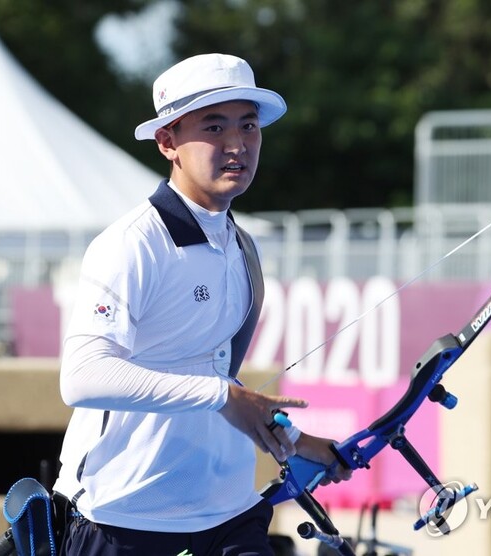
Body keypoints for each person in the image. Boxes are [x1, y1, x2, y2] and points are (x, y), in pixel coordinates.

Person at [52, 53, 351, 556]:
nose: (237, 145)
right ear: (167, 141)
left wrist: (296, 440)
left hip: (230, 514)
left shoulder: (242, 246)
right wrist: (222, 396)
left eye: (249, 126)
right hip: (123, 519)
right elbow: (81, 377)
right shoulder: (131, 243)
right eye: (214, 127)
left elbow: (210, 372)